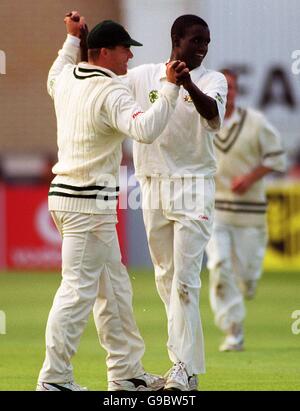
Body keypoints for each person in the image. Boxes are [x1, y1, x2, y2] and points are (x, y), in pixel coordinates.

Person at [36, 11, 189, 391]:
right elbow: (145, 130)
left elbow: (55, 71)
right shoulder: (110, 91)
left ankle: (126, 372)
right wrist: (170, 88)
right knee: (76, 290)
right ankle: (54, 379)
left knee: (114, 289)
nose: (130, 58)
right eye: (125, 50)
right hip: (87, 204)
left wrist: (72, 38)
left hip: (73, 201)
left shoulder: (68, 77)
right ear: (103, 52)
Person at [123, 15, 227, 390]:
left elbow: (212, 116)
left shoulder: (212, 81)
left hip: (194, 185)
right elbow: (110, 95)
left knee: (185, 280)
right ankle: (184, 369)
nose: (202, 47)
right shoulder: (145, 76)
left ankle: (183, 366)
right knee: (166, 281)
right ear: (176, 39)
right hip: (152, 185)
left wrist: (186, 83)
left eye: (207, 42)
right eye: (196, 40)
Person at [206, 69, 286, 352]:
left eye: (231, 87)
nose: (227, 92)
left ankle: (247, 283)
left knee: (247, 276)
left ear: (237, 91)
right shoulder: (204, 120)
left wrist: (250, 178)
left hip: (250, 214)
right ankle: (233, 329)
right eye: (223, 87)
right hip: (215, 211)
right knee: (218, 266)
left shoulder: (255, 123)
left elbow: (278, 159)